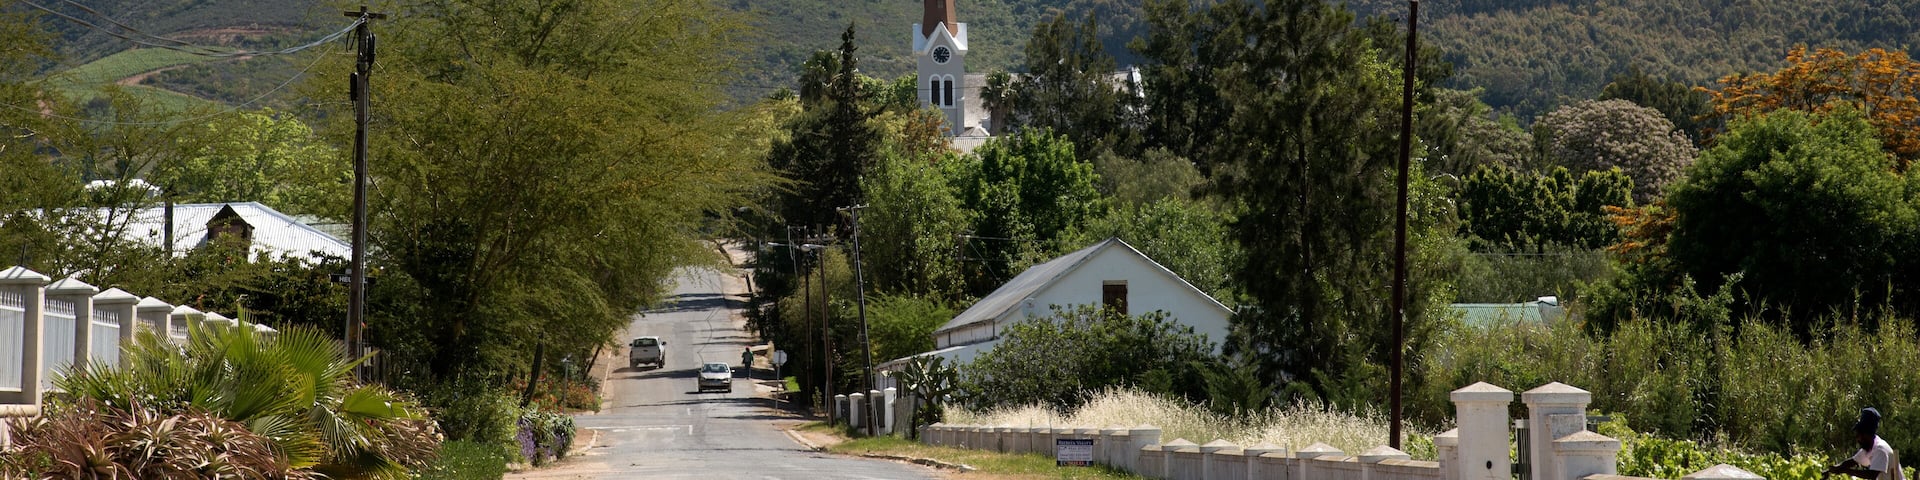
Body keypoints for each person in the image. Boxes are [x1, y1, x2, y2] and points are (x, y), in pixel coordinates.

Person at [1826, 407, 1905, 480]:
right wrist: (1831, 470)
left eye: (1858, 435)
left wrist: (1846, 471)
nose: (1857, 439)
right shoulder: (1869, 447)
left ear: (1866, 434)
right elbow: (1851, 462)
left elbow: (1871, 475)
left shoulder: (1880, 449)